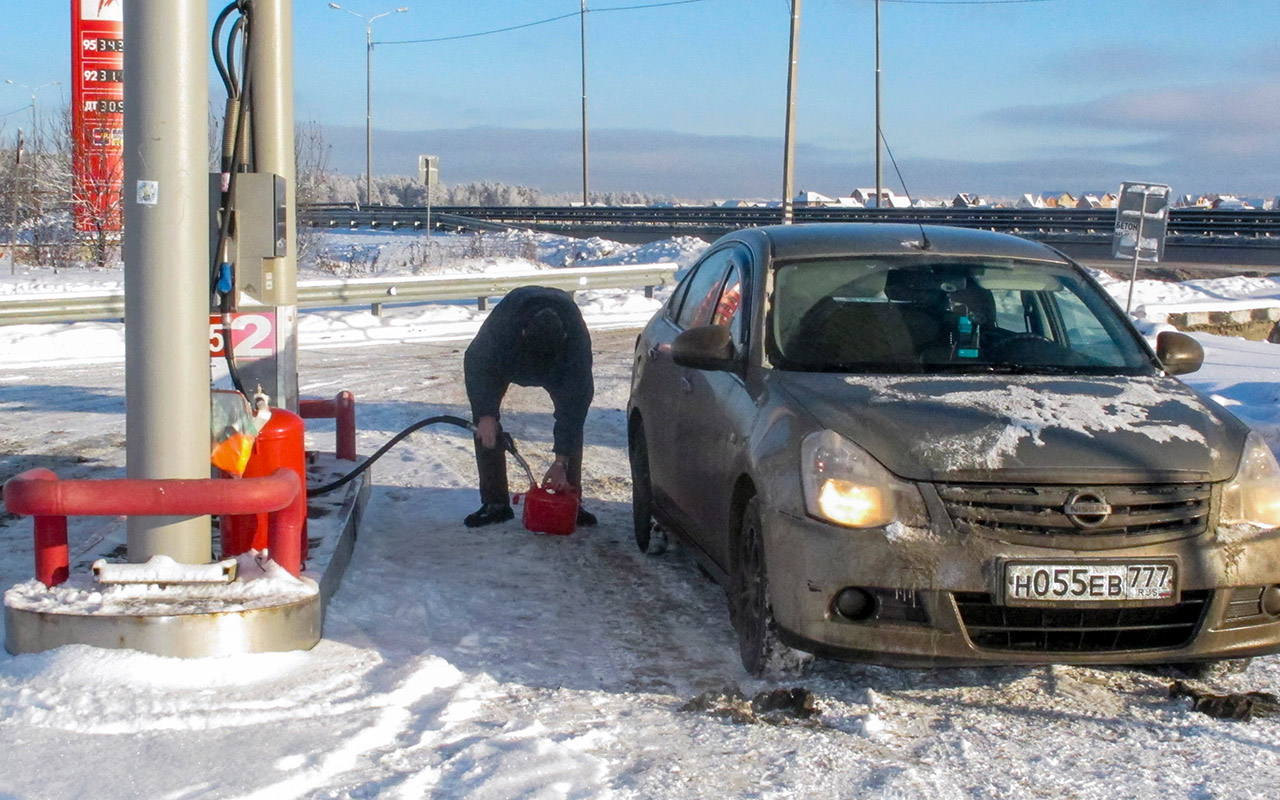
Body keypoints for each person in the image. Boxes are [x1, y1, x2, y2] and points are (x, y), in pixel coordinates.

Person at [463, 285, 597, 528]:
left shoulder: (574, 347)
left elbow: (573, 412)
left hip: (561, 369)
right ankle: (495, 504)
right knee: (486, 427)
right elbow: (477, 365)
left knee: (572, 423)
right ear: (522, 333)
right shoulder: (501, 331)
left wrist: (560, 462)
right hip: (505, 363)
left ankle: (569, 497)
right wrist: (486, 414)